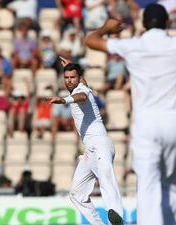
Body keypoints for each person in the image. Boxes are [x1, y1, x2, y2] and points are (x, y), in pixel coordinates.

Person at [85, 4, 176, 225]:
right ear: (167, 23)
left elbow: (91, 41)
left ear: (143, 24)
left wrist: (106, 27)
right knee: (169, 183)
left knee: (148, 185)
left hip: (146, 123)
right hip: (174, 122)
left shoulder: (132, 45)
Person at [47, 63, 124, 225]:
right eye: (66, 78)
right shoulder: (81, 87)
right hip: (89, 150)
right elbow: (79, 87)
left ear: (80, 79)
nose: (69, 81)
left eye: (73, 77)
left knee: (106, 177)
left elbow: (80, 97)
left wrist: (63, 100)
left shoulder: (82, 91)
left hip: (101, 143)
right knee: (77, 194)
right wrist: (69, 63)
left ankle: (117, 217)